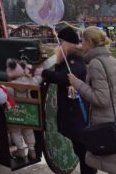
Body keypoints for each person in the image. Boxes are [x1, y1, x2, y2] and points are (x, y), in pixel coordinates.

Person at [41, 26, 95, 174]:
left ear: (67, 44)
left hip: (78, 115)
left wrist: (44, 73)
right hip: (72, 115)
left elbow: (66, 78)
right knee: (80, 150)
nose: (58, 47)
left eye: (60, 43)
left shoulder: (75, 58)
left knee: (83, 152)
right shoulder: (67, 59)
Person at [68, 27, 116, 174]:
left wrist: (78, 84)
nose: (81, 45)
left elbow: (101, 99)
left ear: (89, 42)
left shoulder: (95, 64)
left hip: (105, 124)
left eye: (82, 41)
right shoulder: (111, 60)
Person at [6, 59, 42, 161]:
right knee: (29, 130)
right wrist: (37, 73)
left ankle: (20, 150)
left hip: (15, 112)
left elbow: (3, 93)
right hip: (28, 111)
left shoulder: (9, 86)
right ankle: (32, 150)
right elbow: (38, 80)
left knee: (15, 131)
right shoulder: (29, 81)